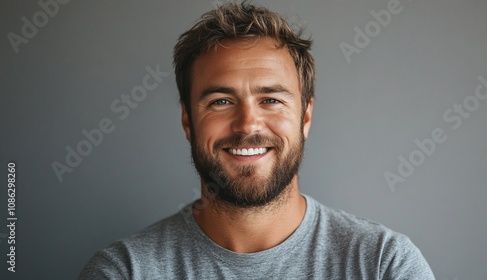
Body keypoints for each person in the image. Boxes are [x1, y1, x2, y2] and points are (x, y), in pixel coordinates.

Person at [79, 1, 435, 279]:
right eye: (221, 101)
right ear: (188, 120)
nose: (248, 123)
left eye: (271, 100)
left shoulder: (384, 265)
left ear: (305, 117)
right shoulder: (124, 271)